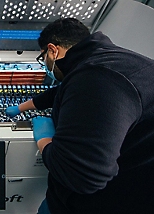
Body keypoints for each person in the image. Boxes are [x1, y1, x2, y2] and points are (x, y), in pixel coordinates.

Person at [8, 18, 154, 213]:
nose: (45, 64)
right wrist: (21, 107)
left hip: (99, 204)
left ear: (52, 50)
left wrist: (44, 139)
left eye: (43, 58)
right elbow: (61, 91)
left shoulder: (96, 78)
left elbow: (79, 176)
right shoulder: (112, 61)